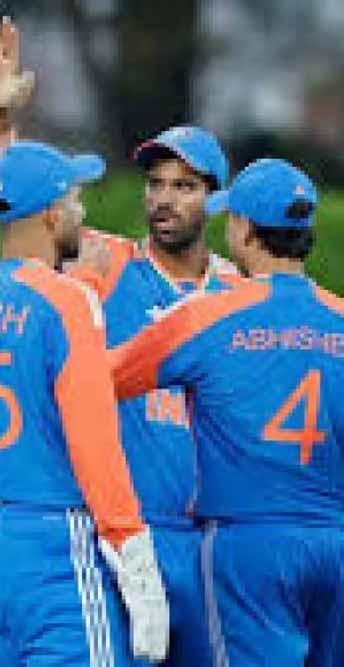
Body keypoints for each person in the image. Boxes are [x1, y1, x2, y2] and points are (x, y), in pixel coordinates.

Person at [0, 16, 237, 664]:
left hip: (212, 540)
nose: (164, 200)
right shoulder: (107, 262)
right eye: (155, 184)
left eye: (184, 186)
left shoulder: (238, 292)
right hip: (125, 537)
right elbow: (27, 210)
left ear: (215, 199)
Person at [0, 138, 170, 665]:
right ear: (53, 215)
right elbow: (95, 442)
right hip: (55, 537)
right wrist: (133, 553)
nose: (83, 215)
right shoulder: (68, 300)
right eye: (76, 201)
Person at [111, 158, 344, 667]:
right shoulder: (338, 318)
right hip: (334, 541)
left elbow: (103, 379)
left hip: (247, 544)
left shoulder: (210, 314)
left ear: (244, 229)